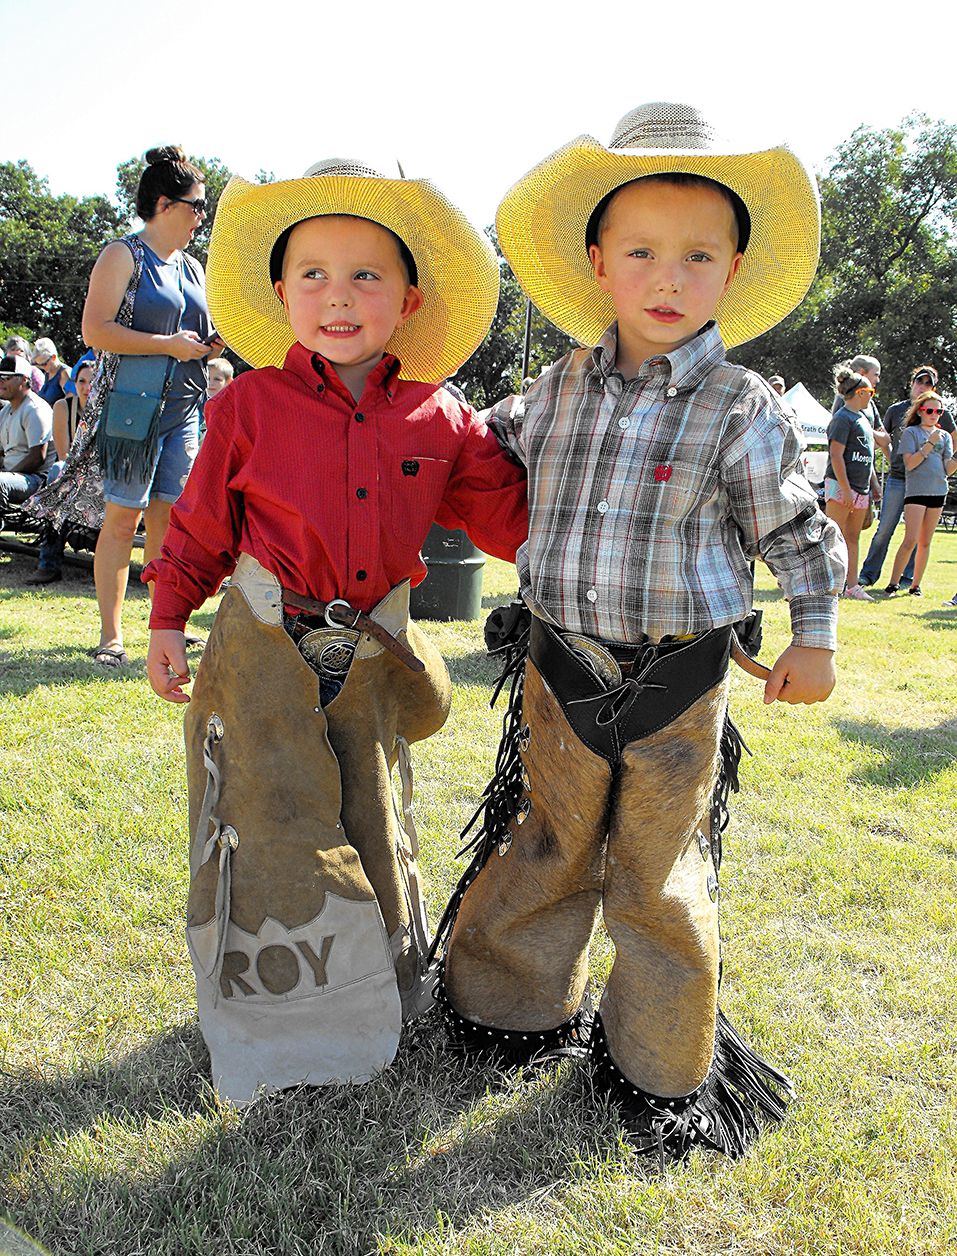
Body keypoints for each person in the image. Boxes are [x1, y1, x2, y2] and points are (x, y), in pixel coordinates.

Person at [433, 102, 846, 1163]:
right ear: (598, 261)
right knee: (548, 842)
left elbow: (798, 531)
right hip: (559, 666)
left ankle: (660, 1061)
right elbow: (479, 453)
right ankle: (505, 1013)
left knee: (657, 877)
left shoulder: (741, 404)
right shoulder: (555, 388)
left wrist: (816, 636)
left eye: (698, 256)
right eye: (644, 253)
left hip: (679, 681)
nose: (670, 278)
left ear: (734, 269)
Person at [142, 159, 527, 1104]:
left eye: (366, 275)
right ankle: (279, 1008)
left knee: (369, 806)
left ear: (408, 299)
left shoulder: (443, 416)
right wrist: (163, 618)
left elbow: (512, 521)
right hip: (263, 645)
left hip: (373, 656)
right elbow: (196, 529)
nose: (338, 295)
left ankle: (385, 985)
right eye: (312, 273)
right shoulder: (246, 407)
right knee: (266, 816)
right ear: (280, 294)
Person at [30, 146, 221, 668]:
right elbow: (95, 332)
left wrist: (208, 344)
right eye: (195, 206)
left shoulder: (193, 267)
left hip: (185, 409)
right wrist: (167, 345)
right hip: (131, 410)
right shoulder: (122, 254)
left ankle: (166, 629)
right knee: (122, 522)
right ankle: (111, 636)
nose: (201, 217)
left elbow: (191, 333)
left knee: (171, 521)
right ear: (164, 203)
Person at [859, 366, 956, 587]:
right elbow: (884, 439)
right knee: (885, 528)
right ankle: (869, 574)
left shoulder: (942, 413)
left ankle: (906, 578)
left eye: (928, 384)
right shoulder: (896, 410)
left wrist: (942, 465)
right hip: (899, 478)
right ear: (911, 384)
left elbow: (952, 437)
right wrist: (894, 458)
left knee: (918, 536)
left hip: (924, 483)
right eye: (919, 382)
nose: (923, 386)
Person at [24, 358, 95, 585]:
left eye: (92, 383)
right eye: (81, 382)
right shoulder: (64, 407)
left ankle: (49, 562)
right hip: (71, 476)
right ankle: (49, 562)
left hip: (98, 478)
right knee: (59, 473)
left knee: (59, 488)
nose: (86, 388)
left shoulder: (108, 410)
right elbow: (65, 455)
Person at [884, 390, 957, 596]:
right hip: (916, 491)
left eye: (939, 411)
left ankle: (915, 586)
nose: (934, 415)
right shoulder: (911, 432)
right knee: (911, 540)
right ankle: (893, 583)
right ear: (920, 411)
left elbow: (947, 468)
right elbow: (910, 463)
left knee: (926, 541)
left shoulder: (944, 436)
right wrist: (930, 443)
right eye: (930, 410)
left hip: (938, 491)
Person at [824, 365, 881, 601]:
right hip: (841, 486)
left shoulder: (864, 419)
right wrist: (845, 489)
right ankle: (822, 583)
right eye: (870, 391)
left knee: (853, 537)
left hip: (861, 488)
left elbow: (867, 457)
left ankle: (852, 585)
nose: (871, 395)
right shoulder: (843, 418)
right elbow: (836, 455)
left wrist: (874, 485)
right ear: (859, 392)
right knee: (830, 535)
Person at [0, 353, 53, 519]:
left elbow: (38, 457)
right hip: (9, 475)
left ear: (24, 379)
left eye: (7, 377)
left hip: (34, 480)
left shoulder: (35, 409)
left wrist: (7, 473)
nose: (1, 381)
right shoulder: (5, 411)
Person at [32, 338, 70, 409]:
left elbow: (71, 403)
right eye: (39, 365)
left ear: (54, 357)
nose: (42, 367)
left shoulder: (64, 373)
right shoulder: (48, 374)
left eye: (44, 364)